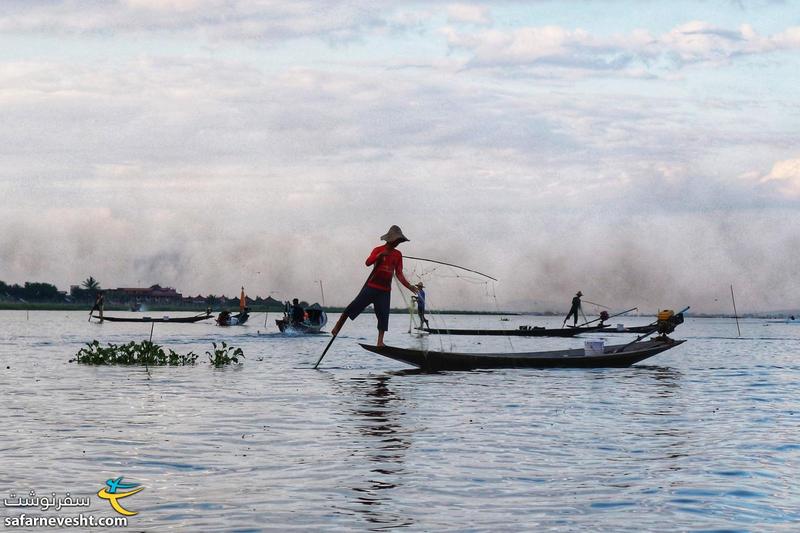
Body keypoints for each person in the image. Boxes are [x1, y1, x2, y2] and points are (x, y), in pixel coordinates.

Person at [330, 225, 418, 346]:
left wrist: (409, 286)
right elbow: (367, 262)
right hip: (372, 286)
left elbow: (399, 274)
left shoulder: (397, 254)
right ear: (391, 239)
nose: (398, 243)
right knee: (353, 306)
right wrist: (379, 256)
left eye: (399, 241)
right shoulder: (378, 250)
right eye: (397, 241)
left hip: (385, 290)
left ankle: (380, 342)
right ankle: (338, 326)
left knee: (383, 316)